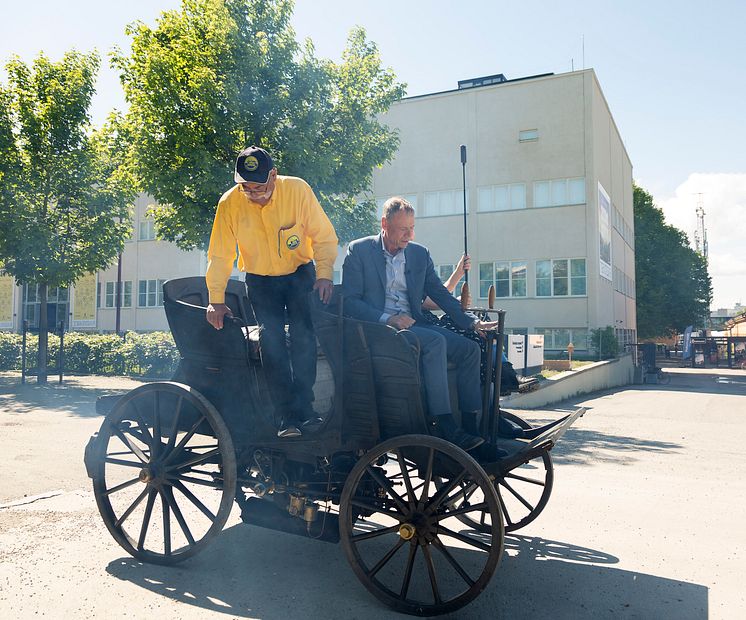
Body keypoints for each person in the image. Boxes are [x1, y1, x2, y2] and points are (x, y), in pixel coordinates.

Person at [342, 196, 497, 451]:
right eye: (404, 229)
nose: (410, 235)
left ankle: (472, 427)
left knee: (470, 348)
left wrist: (471, 323)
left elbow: (440, 293)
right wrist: (389, 319)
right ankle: (444, 423)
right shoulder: (359, 250)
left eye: (412, 228)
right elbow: (350, 302)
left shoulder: (419, 254)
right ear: (384, 223)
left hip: (415, 325)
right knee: (435, 341)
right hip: (380, 330)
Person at [205, 146, 338, 438]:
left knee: (304, 336)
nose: (252, 193)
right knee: (271, 340)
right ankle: (285, 417)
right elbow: (220, 255)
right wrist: (216, 299)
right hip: (261, 280)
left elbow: (324, 237)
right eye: (246, 187)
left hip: (300, 275)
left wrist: (325, 275)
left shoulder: (298, 190)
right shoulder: (229, 203)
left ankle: (306, 410)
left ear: (274, 175)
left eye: (259, 187)